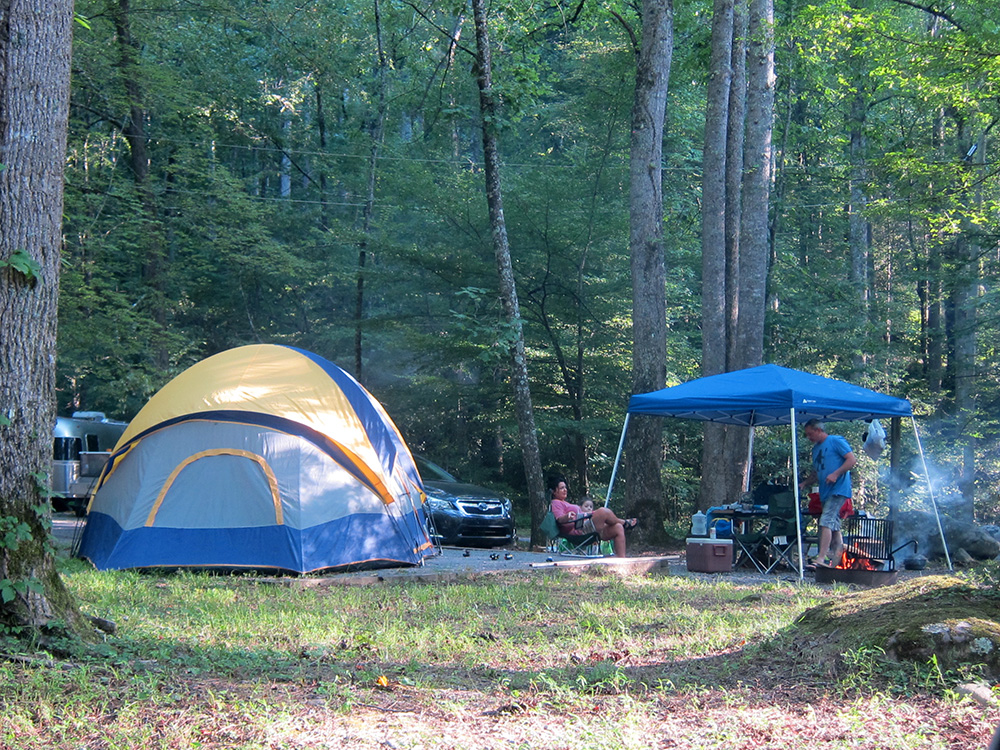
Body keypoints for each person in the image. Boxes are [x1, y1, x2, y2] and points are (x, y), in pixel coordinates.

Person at [800, 418, 857, 570]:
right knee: (834, 526)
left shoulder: (835, 441)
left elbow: (851, 460)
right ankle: (838, 562)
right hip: (825, 492)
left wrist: (836, 474)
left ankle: (821, 557)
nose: (809, 438)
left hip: (838, 490)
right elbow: (817, 471)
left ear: (819, 430)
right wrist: (805, 483)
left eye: (810, 434)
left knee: (825, 521)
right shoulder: (815, 449)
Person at [548, 477, 637, 558]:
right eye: (561, 488)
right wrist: (567, 517)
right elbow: (559, 519)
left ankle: (622, 561)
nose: (565, 490)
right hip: (579, 531)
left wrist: (593, 513)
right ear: (554, 492)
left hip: (588, 528)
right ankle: (625, 522)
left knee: (618, 527)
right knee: (603, 511)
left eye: (565, 487)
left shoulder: (566, 503)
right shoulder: (556, 503)